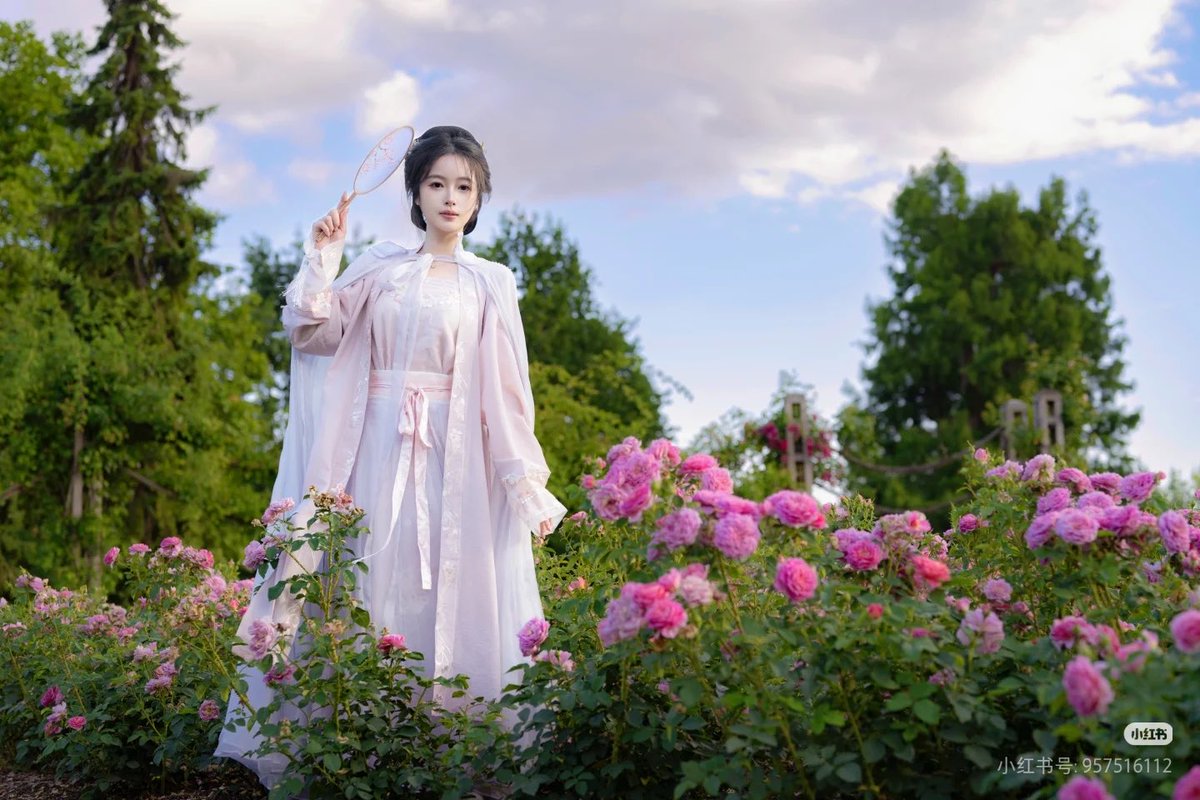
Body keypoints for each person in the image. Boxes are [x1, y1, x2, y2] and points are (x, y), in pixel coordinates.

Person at [215, 125, 567, 788]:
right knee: (368, 577)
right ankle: (355, 743)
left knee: (443, 586)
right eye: (437, 183)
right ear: (415, 192)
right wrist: (324, 257)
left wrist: (525, 482)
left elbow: (506, 391)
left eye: (464, 186)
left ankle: (444, 748)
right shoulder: (379, 268)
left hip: (452, 456)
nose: (450, 198)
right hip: (369, 449)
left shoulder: (490, 283)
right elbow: (316, 334)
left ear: (479, 197)